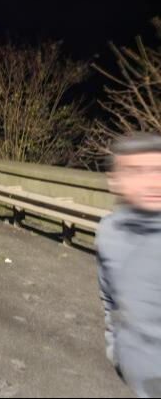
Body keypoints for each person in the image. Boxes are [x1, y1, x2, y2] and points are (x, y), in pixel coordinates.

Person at [99, 133, 161, 398]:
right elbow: (110, 299)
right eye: (136, 171)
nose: (152, 182)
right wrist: (117, 351)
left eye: (158, 169)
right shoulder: (108, 234)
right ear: (115, 181)